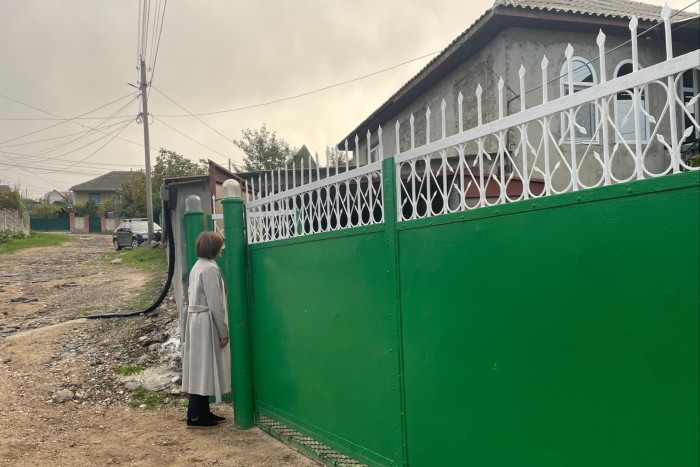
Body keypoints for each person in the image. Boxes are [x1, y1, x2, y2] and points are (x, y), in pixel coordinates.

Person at [181, 231, 231, 429]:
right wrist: (223, 331)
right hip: (207, 322)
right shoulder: (209, 268)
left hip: (197, 321)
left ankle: (201, 411)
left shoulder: (198, 266)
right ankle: (194, 415)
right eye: (220, 245)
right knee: (204, 367)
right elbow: (216, 303)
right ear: (213, 247)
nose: (222, 248)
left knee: (200, 368)